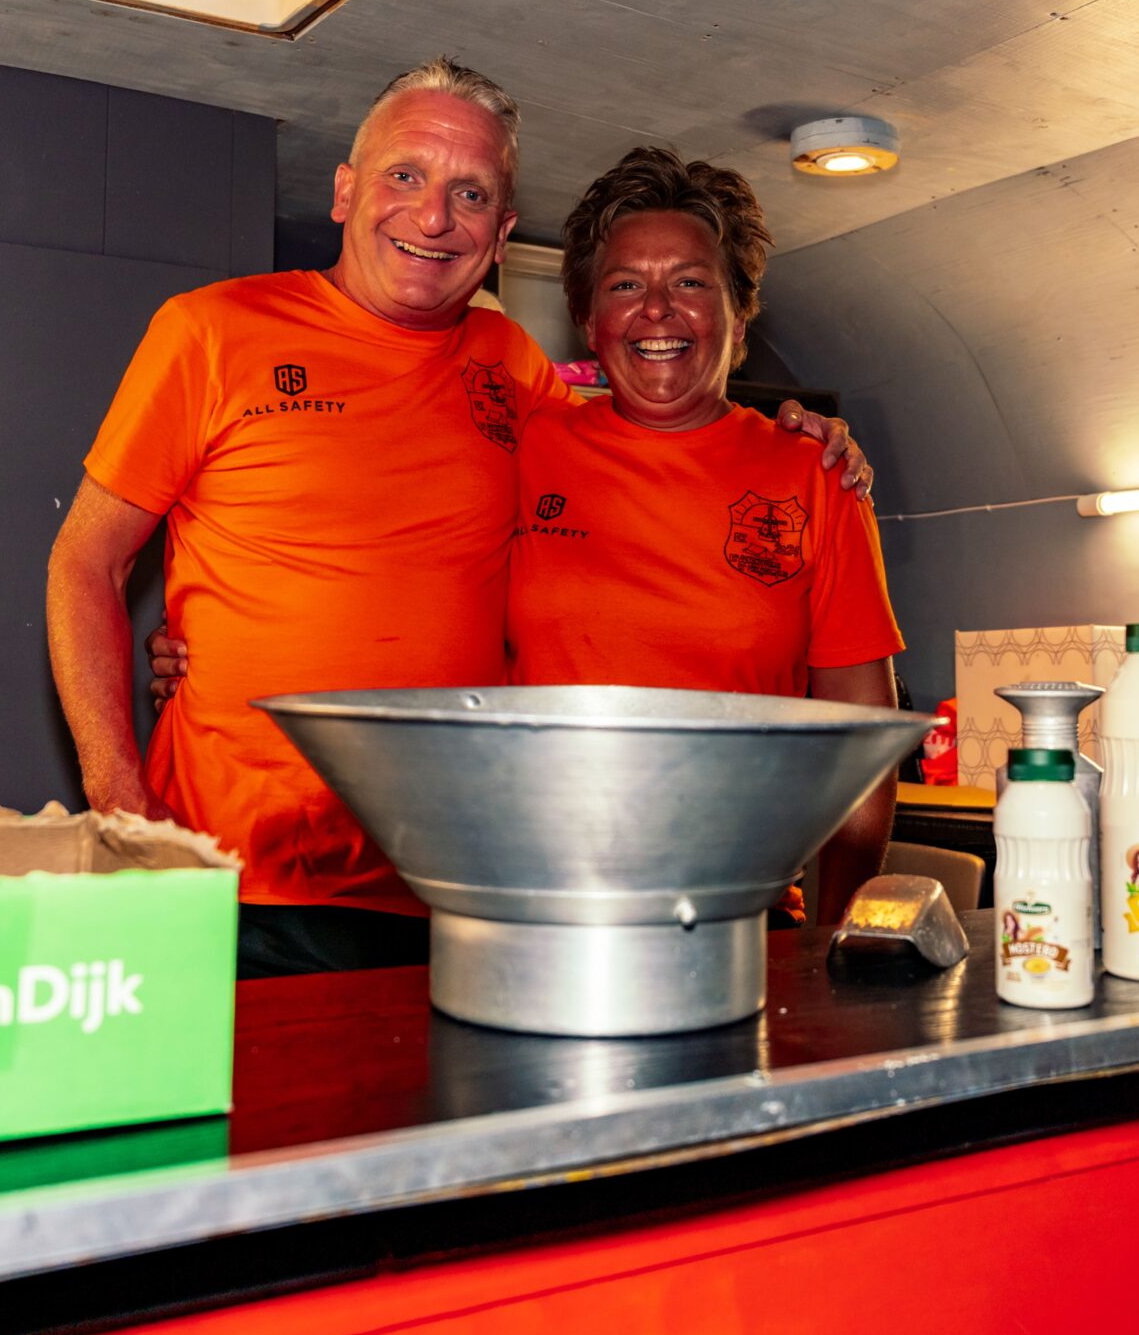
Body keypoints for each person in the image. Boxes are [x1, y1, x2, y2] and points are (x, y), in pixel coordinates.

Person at [48, 60, 866, 979]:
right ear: (345, 192)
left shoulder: (513, 368)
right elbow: (86, 562)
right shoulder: (209, 332)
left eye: (469, 193)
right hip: (238, 880)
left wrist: (797, 434)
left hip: (459, 888)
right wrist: (118, 794)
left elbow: (652, 430)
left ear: (501, 233)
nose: (433, 216)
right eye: (405, 175)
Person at [504, 147, 905, 924]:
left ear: (739, 313)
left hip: (741, 917)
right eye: (625, 285)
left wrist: (839, 937)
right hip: (541, 906)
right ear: (589, 320)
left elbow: (862, 742)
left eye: (689, 282)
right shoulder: (521, 447)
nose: (657, 309)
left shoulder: (815, 472)